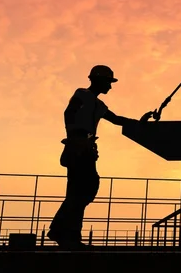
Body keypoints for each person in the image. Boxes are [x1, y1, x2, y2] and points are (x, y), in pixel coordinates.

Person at [48, 65, 153, 249]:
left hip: (86, 149)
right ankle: (64, 234)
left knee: (83, 190)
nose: (110, 87)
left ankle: (65, 233)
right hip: (79, 148)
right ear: (98, 80)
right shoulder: (81, 95)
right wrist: (76, 138)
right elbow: (69, 114)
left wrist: (139, 123)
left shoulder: (98, 105)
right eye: (108, 82)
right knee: (81, 190)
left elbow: (116, 119)